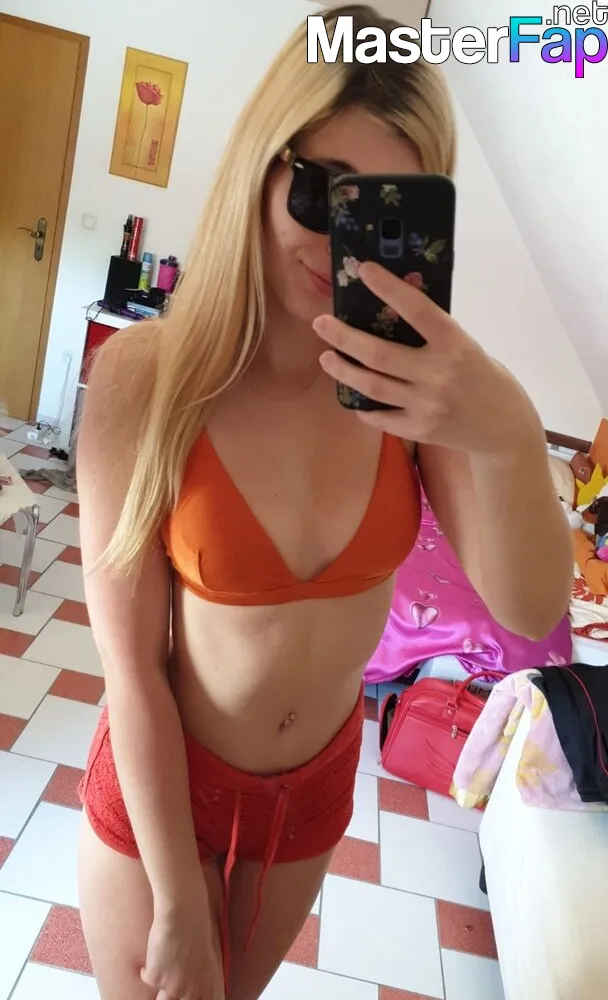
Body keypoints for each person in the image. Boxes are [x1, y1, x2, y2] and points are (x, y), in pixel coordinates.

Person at [76, 5, 573, 999]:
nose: (341, 243)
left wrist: (510, 430)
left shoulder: (412, 397)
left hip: (311, 794)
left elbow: (529, 610)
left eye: (380, 211)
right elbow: (129, 669)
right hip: (164, 781)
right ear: (261, 170)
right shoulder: (150, 378)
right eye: (319, 191)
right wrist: (177, 905)